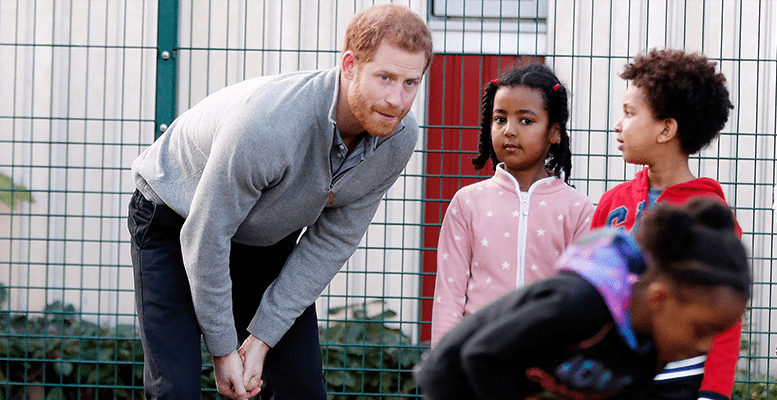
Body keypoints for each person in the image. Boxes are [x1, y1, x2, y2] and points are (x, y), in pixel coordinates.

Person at [126, 4, 432, 399]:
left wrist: (260, 341)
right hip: (175, 216)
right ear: (351, 65)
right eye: (385, 78)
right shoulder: (268, 127)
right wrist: (223, 352)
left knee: (299, 388)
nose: (396, 99)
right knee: (176, 390)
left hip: (264, 228)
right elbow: (206, 238)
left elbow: (332, 242)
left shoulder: (400, 138)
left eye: (410, 83)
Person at [414, 198, 751, 400]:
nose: (707, 346)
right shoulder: (578, 303)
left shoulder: (649, 352)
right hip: (459, 379)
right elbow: (482, 355)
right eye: (701, 329)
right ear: (659, 298)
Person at [591, 49, 741, 400]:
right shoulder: (613, 203)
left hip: (681, 381)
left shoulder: (709, 214)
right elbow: (589, 290)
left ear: (666, 129)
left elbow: (725, 312)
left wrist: (714, 392)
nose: (618, 124)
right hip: (614, 376)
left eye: (629, 113)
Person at [430, 64, 594, 345]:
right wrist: (444, 370)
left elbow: (583, 299)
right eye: (500, 119)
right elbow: (449, 295)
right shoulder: (467, 203)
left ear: (555, 132)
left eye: (526, 121)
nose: (509, 131)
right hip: (477, 360)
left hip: (546, 364)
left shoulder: (577, 210)